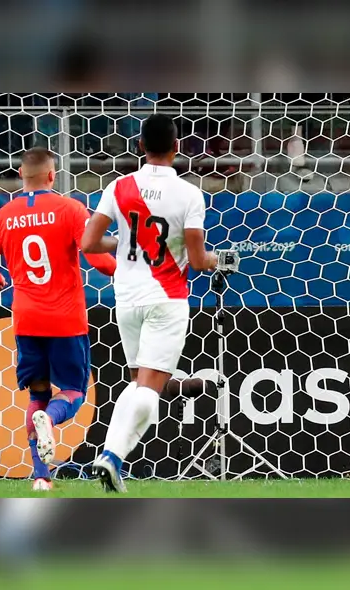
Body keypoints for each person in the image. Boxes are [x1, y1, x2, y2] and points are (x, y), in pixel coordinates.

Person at [82, 114, 218, 493]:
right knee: (150, 388)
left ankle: (109, 457)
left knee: (136, 382)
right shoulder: (189, 194)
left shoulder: (119, 186)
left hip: (127, 297)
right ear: (178, 148)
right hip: (167, 298)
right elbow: (197, 260)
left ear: (140, 145)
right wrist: (218, 260)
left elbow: (89, 243)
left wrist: (126, 242)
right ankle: (112, 457)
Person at [0, 147, 117, 491]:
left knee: (37, 394)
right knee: (72, 392)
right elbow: (100, 262)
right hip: (66, 320)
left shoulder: (3, 217)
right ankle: (50, 420)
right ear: (53, 175)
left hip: (27, 320)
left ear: (20, 175)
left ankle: (41, 477)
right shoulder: (70, 209)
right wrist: (127, 269)